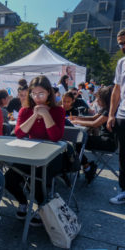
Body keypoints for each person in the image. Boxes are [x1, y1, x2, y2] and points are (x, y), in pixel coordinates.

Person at [5, 75, 65, 226]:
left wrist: (46, 115)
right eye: (34, 94)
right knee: (9, 178)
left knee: (37, 179)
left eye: (41, 94)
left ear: (49, 93)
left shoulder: (58, 111)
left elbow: (55, 137)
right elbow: (19, 133)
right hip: (30, 153)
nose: (37, 98)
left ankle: (42, 208)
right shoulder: (25, 110)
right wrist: (34, 115)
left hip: (53, 155)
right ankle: (23, 202)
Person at [70, 86, 115, 183]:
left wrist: (77, 121)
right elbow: (93, 118)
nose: (96, 100)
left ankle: (87, 167)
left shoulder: (109, 111)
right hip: (104, 139)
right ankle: (86, 166)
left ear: (105, 99)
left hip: (108, 142)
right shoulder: (106, 109)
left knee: (77, 142)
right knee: (78, 141)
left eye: (98, 98)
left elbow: (95, 124)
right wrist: (76, 117)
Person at [107, 28, 125, 205]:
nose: (122, 46)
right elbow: (116, 90)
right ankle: (124, 190)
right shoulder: (121, 63)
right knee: (123, 156)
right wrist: (111, 114)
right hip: (122, 116)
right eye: (120, 43)